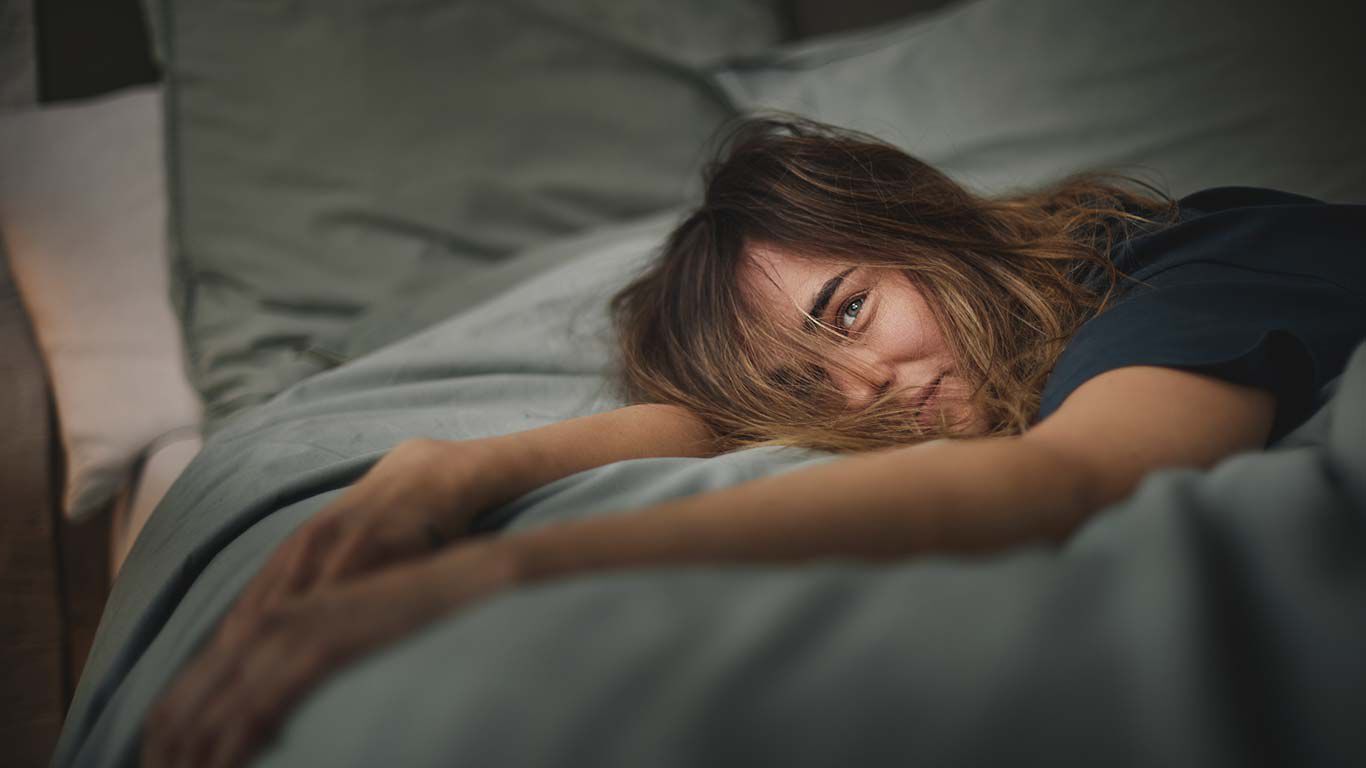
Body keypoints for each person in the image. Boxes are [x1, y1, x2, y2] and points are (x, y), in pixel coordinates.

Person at [141, 117, 1366, 768]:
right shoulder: (891, 388)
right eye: (806, 385)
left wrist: (501, 571)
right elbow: (699, 427)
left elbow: (1075, 477)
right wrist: (446, 469)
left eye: (851, 309)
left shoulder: (1189, 259)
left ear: (922, 231)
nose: (868, 388)